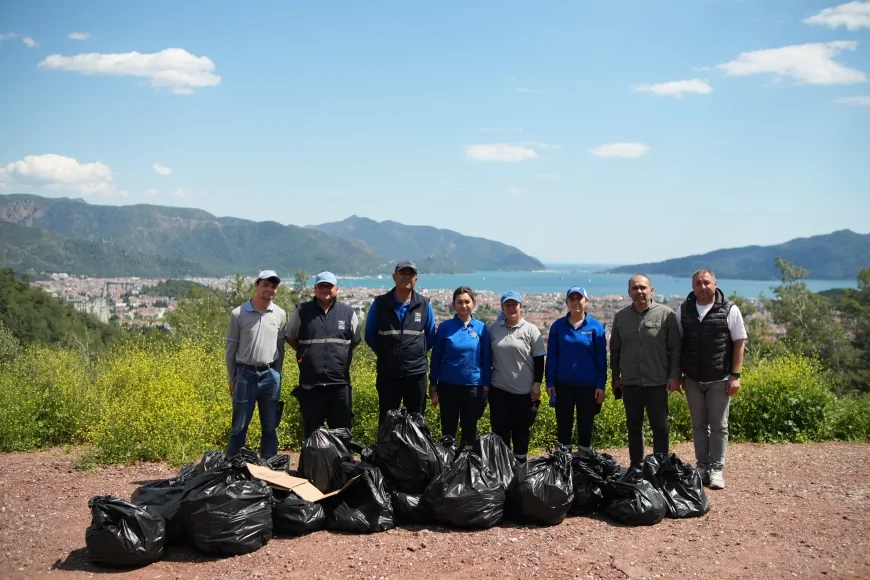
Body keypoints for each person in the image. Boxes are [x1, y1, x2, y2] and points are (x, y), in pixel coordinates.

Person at [676, 269, 747, 490]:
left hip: (720, 378)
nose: (702, 287)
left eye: (706, 282)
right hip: (692, 378)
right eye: (698, 283)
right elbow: (677, 343)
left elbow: (739, 342)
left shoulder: (729, 309)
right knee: (698, 425)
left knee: (719, 426)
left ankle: (717, 469)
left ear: (715, 283)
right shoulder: (684, 310)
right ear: (693, 286)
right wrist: (677, 375)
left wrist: (735, 376)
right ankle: (702, 467)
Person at [610, 274, 682, 468]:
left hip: (657, 382)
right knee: (633, 427)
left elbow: (675, 349)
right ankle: (636, 466)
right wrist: (615, 377)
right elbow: (615, 350)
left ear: (652, 290)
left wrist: (674, 376)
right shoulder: (621, 317)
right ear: (629, 292)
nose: (639, 291)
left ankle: (660, 467)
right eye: (634, 288)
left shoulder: (666, 315)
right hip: (630, 382)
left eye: (643, 287)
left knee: (660, 427)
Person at [285, 271, 361, 439]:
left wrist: (340, 355)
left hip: (339, 383)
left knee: (342, 432)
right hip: (311, 384)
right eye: (321, 286)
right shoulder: (302, 311)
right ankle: (311, 466)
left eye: (329, 286)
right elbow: (290, 337)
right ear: (315, 288)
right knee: (312, 432)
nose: (325, 289)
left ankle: (341, 465)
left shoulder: (348, 312)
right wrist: (305, 353)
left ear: (337, 289)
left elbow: (355, 340)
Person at [225, 269, 288, 458]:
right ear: (257, 286)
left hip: (270, 374)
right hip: (245, 374)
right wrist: (231, 377)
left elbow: (280, 348)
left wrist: (277, 373)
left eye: (273, 286)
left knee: (270, 426)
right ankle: (232, 468)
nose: (270, 289)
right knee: (239, 426)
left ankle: (269, 470)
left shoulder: (280, 314)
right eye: (265, 284)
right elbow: (231, 349)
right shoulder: (239, 313)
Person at [364, 260, 436, 424]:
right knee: (387, 419)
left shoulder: (424, 304)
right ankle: (387, 450)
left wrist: (416, 353)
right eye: (402, 273)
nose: (406, 277)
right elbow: (369, 335)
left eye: (410, 273)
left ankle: (415, 450)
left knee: (417, 420)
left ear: (416, 278)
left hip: (416, 374)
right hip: (388, 374)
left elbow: (431, 336)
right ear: (394, 277)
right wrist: (386, 353)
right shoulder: (380, 303)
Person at [545, 286, 607, 451]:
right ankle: (564, 465)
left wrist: (601, 385)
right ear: (567, 302)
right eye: (571, 299)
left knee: (585, 426)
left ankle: (584, 464)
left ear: (586, 301)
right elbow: (552, 356)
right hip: (562, 385)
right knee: (564, 427)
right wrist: (550, 382)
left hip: (588, 386)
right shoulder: (558, 326)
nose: (575, 302)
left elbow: (601, 359)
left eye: (578, 298)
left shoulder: (595, 327)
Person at [488, 290, 546, 463]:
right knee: (500, 430)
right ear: (502, 308)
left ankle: (520, 465)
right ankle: (503, 466)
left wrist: (537, 384)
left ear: (521, 307)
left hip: (523, 391)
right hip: (498, 389)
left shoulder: (531, 330)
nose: (511, 308)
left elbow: (539, 360)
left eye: (515, 305)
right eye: (508, 305)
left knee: (521, 430)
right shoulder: (494, 329)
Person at [429, 286, 491, 445]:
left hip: (473, 386)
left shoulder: (481, 328)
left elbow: (486, 358)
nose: (463, 306)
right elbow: (436, 357)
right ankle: (447, 463)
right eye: (459, 302)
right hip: (448, 385)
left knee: (469, 429)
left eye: (467, 302)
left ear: (474, 303)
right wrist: (433, 383)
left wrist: (486, 385)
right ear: (453, 304)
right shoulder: (445, 327)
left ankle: (467, 465)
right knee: (448, 429)